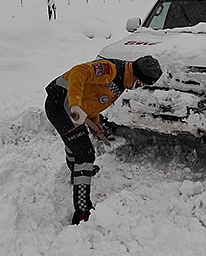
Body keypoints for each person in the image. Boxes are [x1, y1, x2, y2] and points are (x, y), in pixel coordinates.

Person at [44, 55, 163, 225]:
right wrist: (75, 104)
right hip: (61, 104)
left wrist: (95, 122)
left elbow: (93, 98)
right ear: (137, 77)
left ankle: (76, 173)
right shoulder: (111, 70)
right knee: (85, 154)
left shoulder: (124, 80)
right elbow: (79, 71)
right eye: (141, 84)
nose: (139, 87)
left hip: (70, 108)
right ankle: (82, 212)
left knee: (76, 143)